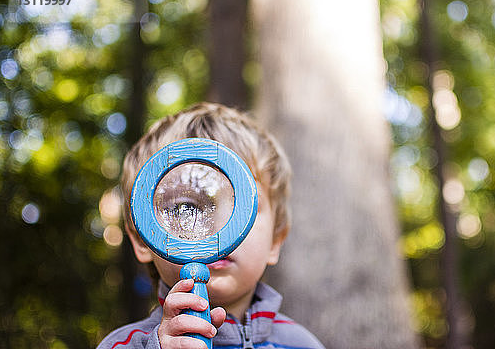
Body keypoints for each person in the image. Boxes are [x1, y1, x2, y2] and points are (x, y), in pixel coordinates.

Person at [97, 103, 325, 349]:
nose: (217, 227)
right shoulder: (123, 345)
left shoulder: (303, 344)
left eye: (244, 207)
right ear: (143, 239)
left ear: (276, 240)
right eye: (187, 206)